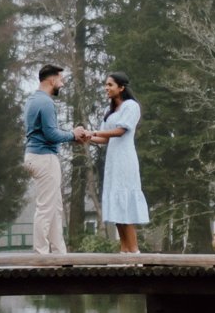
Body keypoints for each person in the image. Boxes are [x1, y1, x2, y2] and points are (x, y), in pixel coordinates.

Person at [21, 64, 76, 254]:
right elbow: (51, 134)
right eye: (61, 79)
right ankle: (41, 254)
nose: (62, 83)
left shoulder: (32, 100)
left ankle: (59, 252)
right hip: (44, 157)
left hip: (35, 156)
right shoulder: (45, 103)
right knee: (46, 208)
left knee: (55, 207)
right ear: (52, 80)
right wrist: (74, 134)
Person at [90, 72, 147, 252]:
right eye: (106, 85)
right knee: (117, 208)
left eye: (110, 85)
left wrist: (93, 132)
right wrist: (87, 137)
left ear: (121, 87)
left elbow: (120, 131)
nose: (106, 88)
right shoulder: (111, 112)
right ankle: (124, 251)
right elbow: (105, 138)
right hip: (112, 163)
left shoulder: (131, 106)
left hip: (125, 161)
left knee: (125, 207)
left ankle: (134, 252)